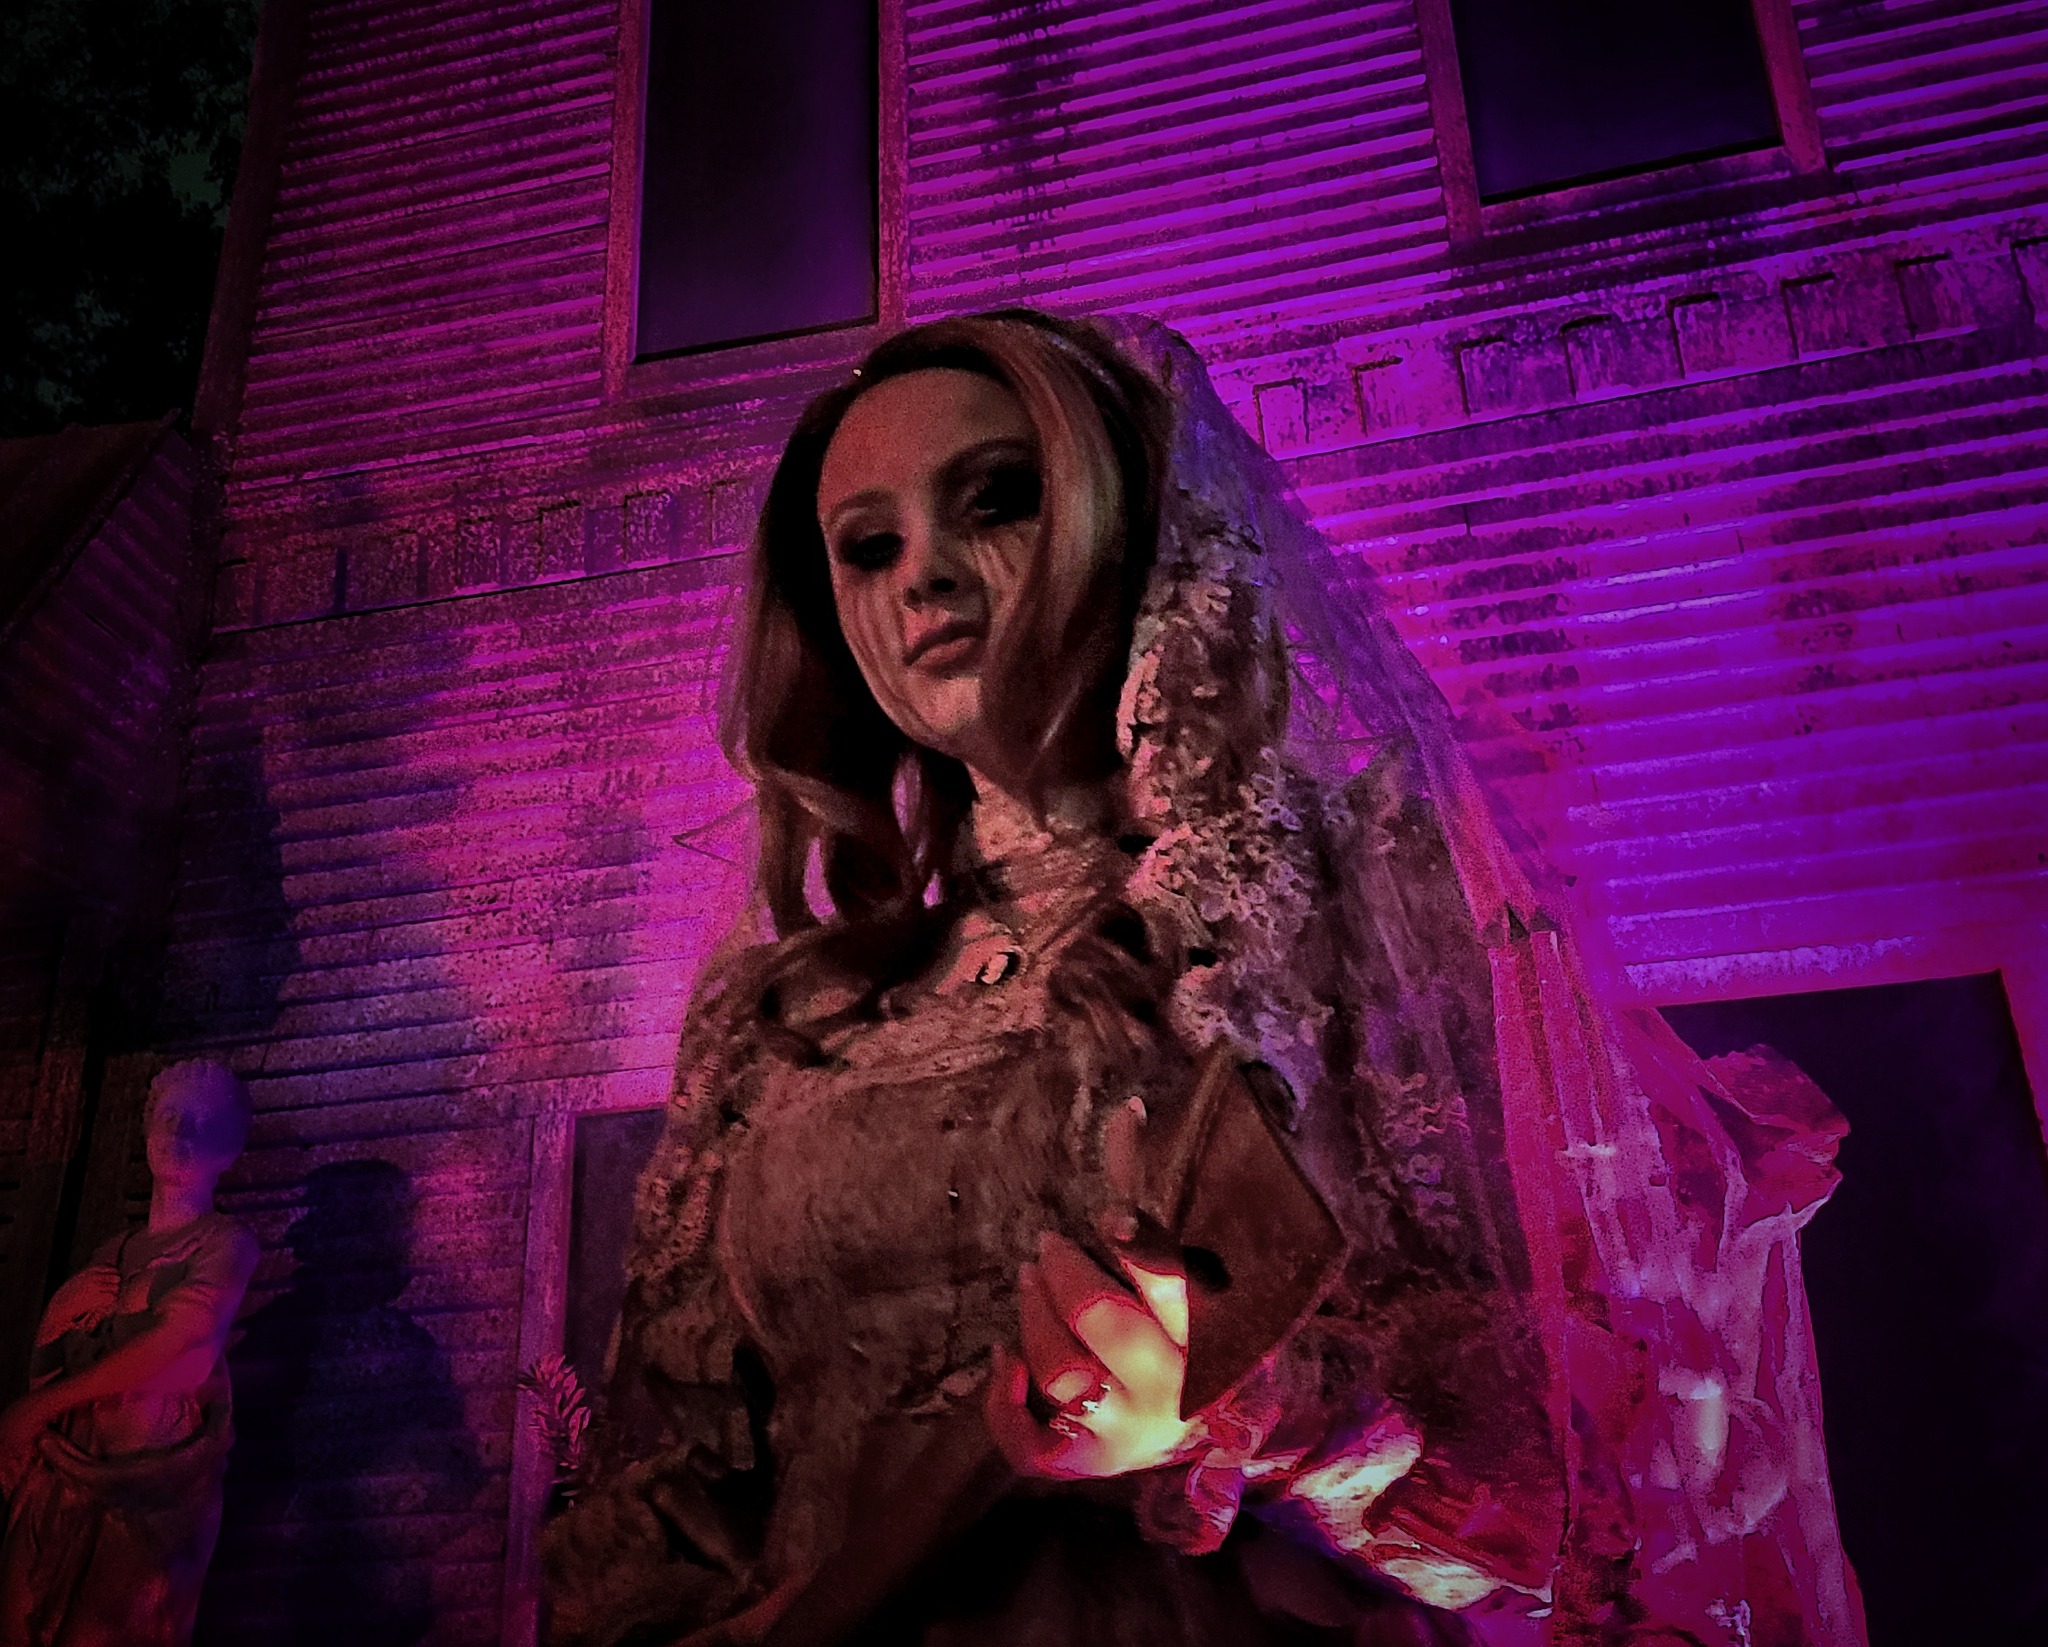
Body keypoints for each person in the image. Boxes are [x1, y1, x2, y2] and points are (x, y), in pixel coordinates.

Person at [545, 312, 1864, 1646]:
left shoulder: (1349, 906)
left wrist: (1252, 1415)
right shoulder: (778, 1027)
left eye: (995, 499)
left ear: (1123, 523)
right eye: (868, 545)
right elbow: (676, 1499)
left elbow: (1606, 1486)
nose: (924, 571)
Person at [0, 1060, 259, 1647]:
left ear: (229, 1148)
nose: (180, 1132)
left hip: (151, 1485)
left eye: (202, 1122)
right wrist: (53, 1323)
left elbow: (182, 1351)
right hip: (64, 1477)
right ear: (145, 1129)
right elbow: (61, 1374)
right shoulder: (112, 1252)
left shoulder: (224, 1243)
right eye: (168, 1116)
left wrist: (36, 1409)